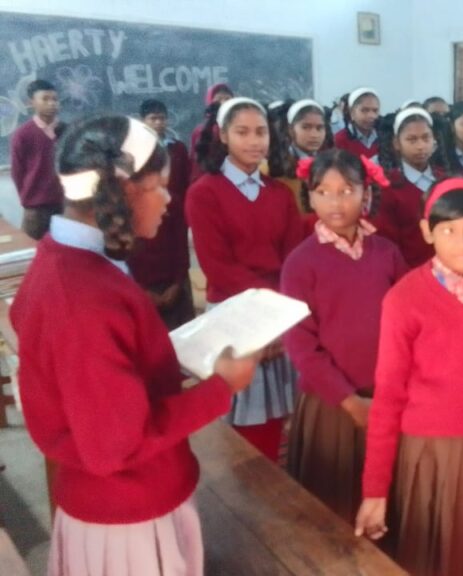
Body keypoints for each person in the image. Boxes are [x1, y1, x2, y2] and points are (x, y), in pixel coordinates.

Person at [12, 115, 257, 575]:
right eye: (159, 186)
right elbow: (116, 446)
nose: (168, 200)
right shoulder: (82, 296)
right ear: (124, 191)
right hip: (127, 517)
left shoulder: (69, 258)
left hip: (124, 500)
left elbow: (100, 378)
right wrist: (221, 388)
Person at [354, 178, 463, 575]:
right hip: (426, 453)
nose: (462, 242)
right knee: (432, 556)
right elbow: (388, 397)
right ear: (427, 231)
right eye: (448, 230)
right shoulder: (403, 299)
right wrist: (375, 490)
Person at [281, 149, 406, 523]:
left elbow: (408, 323)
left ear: (366, 192)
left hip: (384, 396)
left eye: (347, 190)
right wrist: (350, 403)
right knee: (331, 506)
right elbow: (301, 347)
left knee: (384, 500)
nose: (335, 202)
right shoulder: (300, 263)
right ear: (310, 195)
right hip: (331, 405)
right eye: (323, 192)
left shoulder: (387, 253)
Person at [187, 97, 305, 460]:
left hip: (277, 314)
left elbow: (293, 259)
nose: (254, 141)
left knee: (278, 415)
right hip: (233, 315)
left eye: (261, 132)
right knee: (240, 419)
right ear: (223, 135)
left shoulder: (279, 193)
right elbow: (218, 266)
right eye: (243, 132)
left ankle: (272, 480)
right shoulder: (204, 193)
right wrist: (267, 317)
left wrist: (278, 318)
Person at [127, 99, 195, 329]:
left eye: (162, 118)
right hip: (143, 281)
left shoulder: (177, 149)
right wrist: (143, 290)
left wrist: (177, 283)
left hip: (174, 274)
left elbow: (181, 247)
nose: (158, 123)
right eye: (153, 118)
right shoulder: (127, 207)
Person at [373, 107, 446, 267]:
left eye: (426, 138)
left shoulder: (445, 179)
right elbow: (387, 243)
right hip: (408, 271)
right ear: (397, 143)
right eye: (412, 140)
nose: (421, 146)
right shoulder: (388, 187)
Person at [10, 79, 64, 239]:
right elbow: (17, 172)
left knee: (66, 248)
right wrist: (28, 199)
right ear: (31, 103)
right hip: (36, 208)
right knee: (32, 247)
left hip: (65, 205)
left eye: (55, 99)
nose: (52, 103)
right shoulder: (22, 134)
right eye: (45, 99)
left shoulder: (67, 130)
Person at [266, 99, 329, 212]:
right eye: (306, 127)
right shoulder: (277, 165)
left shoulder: (329, 163)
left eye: (319, 128)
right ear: (290, 129)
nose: (314, 135)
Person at [333, 87, 381, 162]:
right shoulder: (339, 140)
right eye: (365, 110)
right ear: (352, 112)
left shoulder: (383, 139)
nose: (371, 115)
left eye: (375, 111)